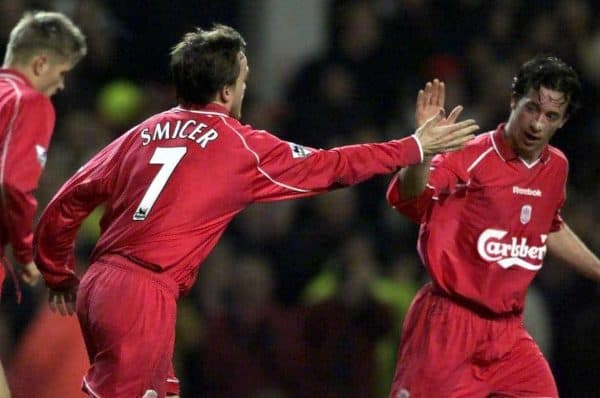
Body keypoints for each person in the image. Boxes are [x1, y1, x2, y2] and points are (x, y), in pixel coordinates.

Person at [32, 24, 477, 398]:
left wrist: (59, 275)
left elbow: (66, 202)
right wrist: (413, 146)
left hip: (101, 281)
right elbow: (332, 165)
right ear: (226, 90)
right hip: (144, 292)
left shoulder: (143, 132)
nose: (247, 85)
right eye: (244, 78)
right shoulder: (238, 144)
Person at [386, 56, 600, 397]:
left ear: (563, 121)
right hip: (449, 324)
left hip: (507, 333)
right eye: (532, 108)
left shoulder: (556, 167)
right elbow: (407, 194)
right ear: (513, 100)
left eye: (551, 116)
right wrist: (424, 152)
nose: (537, 124)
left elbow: (549, 226)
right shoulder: (470, 154)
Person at [0, 10, 86, 397]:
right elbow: (14, 185)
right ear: (40, 63)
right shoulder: (29, 103)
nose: (62, 85)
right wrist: (24, 250)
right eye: (61, 73)